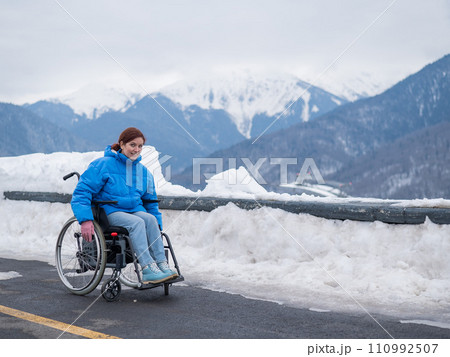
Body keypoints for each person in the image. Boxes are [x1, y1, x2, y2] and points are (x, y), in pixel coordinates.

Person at [71, 127, 177, 284]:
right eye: (132, 145)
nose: (137, 149)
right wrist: (85, 220)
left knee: (150, 220)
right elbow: (81, 193)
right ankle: (147, 268)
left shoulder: (143, 171)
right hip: (110, 212)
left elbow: (150, 200)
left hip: (134, 210)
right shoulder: (102, 165)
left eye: (140, 146)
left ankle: (161, 264)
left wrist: (157, 223)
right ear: (121, 144)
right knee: (138, 223)